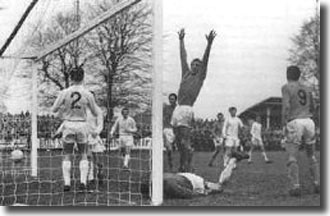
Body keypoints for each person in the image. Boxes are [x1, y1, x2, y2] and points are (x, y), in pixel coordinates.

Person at [171, 28, 216, 172]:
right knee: (178, 142)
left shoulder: (199, 77)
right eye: (194, 64)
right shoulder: (186, 73)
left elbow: (206, 58)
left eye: (198, 65)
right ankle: (183, 165)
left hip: (187, 109)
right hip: (177, 109)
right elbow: (182, 57)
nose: (196, 66)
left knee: (185, 141)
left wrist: (209, 44)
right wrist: (181, 40)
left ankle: (189, 167)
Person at [51, 67, 101, 192]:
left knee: (67, 154)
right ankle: (83, 181)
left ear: (71, 78)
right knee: (83, 154)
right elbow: (95, 112)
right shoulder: (88, 94)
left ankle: (67, 183)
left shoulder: (64, 92)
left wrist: (66, 109)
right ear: (83, 77)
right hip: (82, 125)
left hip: (68, 124)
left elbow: (54, 109)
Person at [281, 65, 320, 196]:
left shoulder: (286, 87)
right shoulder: (307, 88)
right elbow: (314, 107)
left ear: (287, 75)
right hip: (309, 122)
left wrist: (283, 124)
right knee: (311, 155)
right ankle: (317, 183)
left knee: (292, 156)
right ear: (299, 75)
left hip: (295, 121)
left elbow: (286, 106)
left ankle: (295, 186)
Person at [86, 91, 105, 186]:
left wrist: (96, 132)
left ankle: (100, 173)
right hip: (85, 136)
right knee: (88, 157)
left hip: (95, 136)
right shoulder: (83, 109)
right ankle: (90, 177)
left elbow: (100, 124)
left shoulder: (97, 110)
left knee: (98, 159)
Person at [163, 93, 178, 170]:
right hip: (167, 129)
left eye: (173, 99)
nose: (171, 100)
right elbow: (163, 118)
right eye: (170, 99)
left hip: (176, 130)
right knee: (169, 149)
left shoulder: (178, 109)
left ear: (176, 100)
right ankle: (171, 165)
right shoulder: (166, 108)